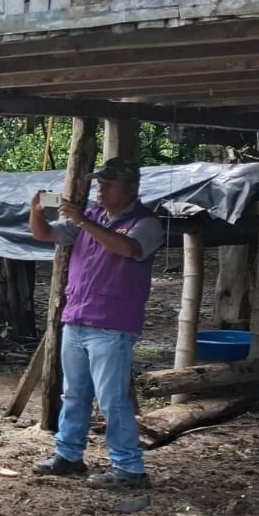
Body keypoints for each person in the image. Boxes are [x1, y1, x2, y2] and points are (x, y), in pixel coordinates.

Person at [28, 157, 165, 489]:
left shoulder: (145, 223)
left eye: (108, 185)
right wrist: (36, 211)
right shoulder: (90, 218)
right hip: (77, 318)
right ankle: (69, 455)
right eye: (99, 184)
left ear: (131, 189)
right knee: (73, 394)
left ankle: (130, 468)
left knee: (112, 400)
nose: (100, 190)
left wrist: (84, 222)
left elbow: (128, 249)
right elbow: (44, 234)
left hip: (113, 325)